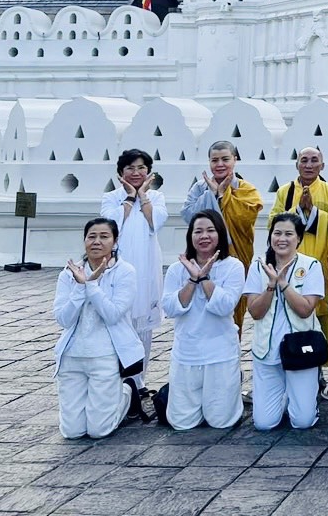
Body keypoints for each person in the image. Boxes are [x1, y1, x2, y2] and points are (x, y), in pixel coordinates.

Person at [53, 218, 143, 439]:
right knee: (72, 432)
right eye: (91, 236)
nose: (97, 241)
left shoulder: (125, 272)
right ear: (84, 240)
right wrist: (79, 286)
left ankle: (127, 393)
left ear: (115, 242)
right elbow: (64, 319)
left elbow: (112, 314)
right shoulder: (69, 273)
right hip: (72, 356)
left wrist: (91, 286)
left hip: (106, 355)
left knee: (98, 430)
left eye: (104, 236)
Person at [160, 210, 245, 429]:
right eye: (198, 231)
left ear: (220, 235)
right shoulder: (177, 269)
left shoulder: (233, 266)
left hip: (221, 352)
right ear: (190, 236)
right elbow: (171, 308)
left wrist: (205, 277)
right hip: (187, 351)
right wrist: (192, 279)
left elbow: (225, 306)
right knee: (181, 423)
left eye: (210, 231)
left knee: (221, 421)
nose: (204, 236)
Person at [243, 212, 324, 430]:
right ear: (270, 237)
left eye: (289, 234)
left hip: (301, 350)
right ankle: (285, 397)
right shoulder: (259, 266)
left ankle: (303, 401)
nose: (282, 239)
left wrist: (284, 284)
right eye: (277, 233)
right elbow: (255, 312)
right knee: (264, 424)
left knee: (303, 422)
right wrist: (271, 285)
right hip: (266, 351)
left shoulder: (311, 266)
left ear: (299, 238)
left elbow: (306, 310)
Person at [270, 146, 328, 399]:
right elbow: (273, 223)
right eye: (304, 161)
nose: (309, 165)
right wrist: (297, 212)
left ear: (322, 165)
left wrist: (314, 213)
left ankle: (318, 373)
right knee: (290, 319)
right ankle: (288, 367)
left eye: (314, 161)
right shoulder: (285, 191)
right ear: (297, 165)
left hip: (319, 263)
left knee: (318, 319)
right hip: (288, 265)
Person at [100, 148, 166, 396]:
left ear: (149, 172)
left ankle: (139, 382)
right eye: (130, 168)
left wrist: (143, 197)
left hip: (146, 268)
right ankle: (118, 382)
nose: (136, 172)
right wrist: (129, 198)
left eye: (141, 168)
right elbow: (111, 226)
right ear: (120, 173)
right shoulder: (111, 198)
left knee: (143, 328)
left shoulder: (156, 197)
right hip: (117, 269)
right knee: (119, 322)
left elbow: (155, 222)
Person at [182, 141, 263, 333]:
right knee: (201, 303)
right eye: (214, 160)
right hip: (202, 256)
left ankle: (232, 351)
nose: (220, 164)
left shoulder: (245, 189)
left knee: (233, 306)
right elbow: (189, 216)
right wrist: (212, 194)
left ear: (235, 160)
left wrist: (224, 195)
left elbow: (246, 218)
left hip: (235, 256)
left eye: (225, 159)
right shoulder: (199, 188)